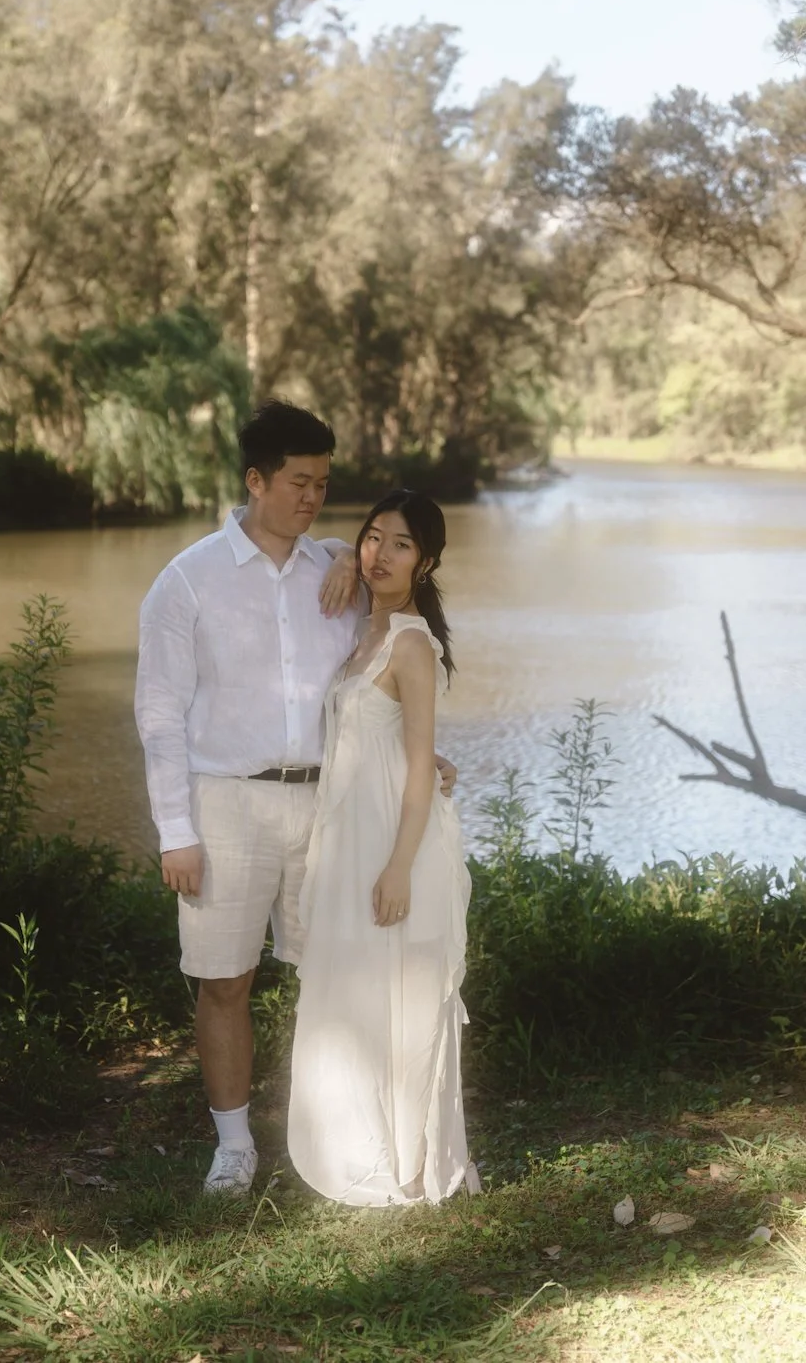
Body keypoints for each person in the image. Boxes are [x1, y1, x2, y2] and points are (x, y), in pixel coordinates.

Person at [135, 403, 455, 1195]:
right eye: (300, 482)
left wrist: (421, 755)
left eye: (324, 483)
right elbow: (159, 712)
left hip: (330, 809)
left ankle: (349, 1131)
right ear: (256, 480)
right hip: (226, 805)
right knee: (224, 979)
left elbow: (377, 678)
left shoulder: (339, 573)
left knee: (343, 966)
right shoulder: (186, 581)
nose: (314, 497)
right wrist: (175, 828)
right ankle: (235, 1145)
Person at [287, 490, 474, 1206]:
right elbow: (390, 741)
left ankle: (403, 1160)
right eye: (372, 539)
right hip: (348, 839)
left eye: (400, 545)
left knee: (402, 993)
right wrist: (340, 549)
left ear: (425, 562)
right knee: (353, 988)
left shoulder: (411, 642)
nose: (380, 554)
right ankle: (352, 1142)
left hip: (396, 844)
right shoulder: (362, 633)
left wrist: (399, 866)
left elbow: (419, 761)